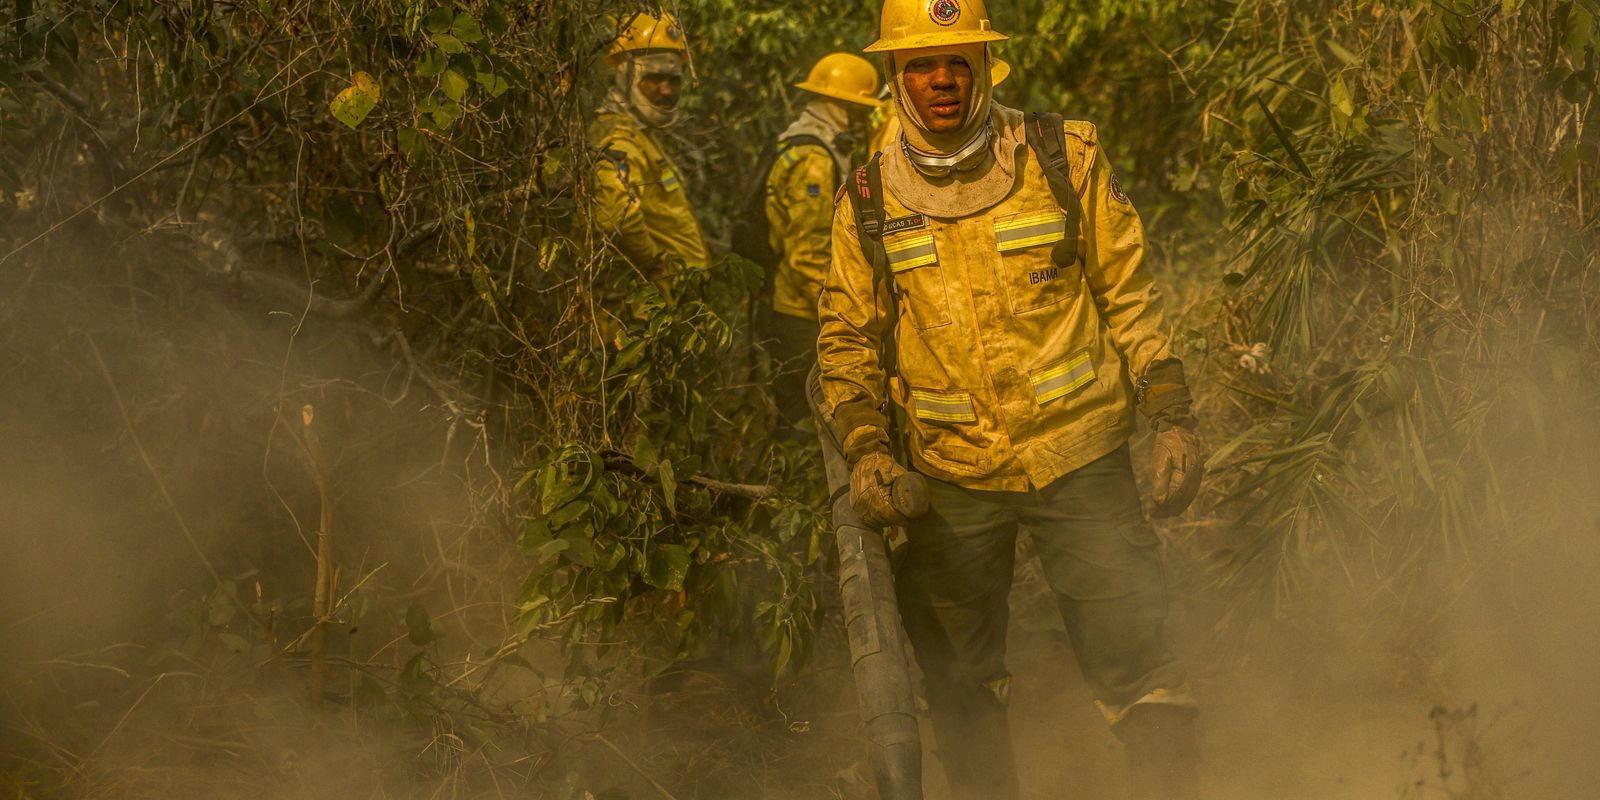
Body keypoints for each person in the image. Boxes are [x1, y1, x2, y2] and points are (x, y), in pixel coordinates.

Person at [814, 0, 1207, 798]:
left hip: (1080, 455)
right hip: (951, 474)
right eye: (921, 64)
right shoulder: (866, 200)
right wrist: (866, 450)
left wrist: (1171, 416)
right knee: (959, 685)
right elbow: (846, 340)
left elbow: (1131, 297)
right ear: (896, 75)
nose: (942, 80)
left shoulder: (1063, 156)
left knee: (1142, 664)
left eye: (958, 61)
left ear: (986, 66)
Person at [761, 52, 881, 430]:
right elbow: (806, 252)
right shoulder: (814, 157)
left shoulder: (805, 142)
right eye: (858, 111)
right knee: (806, 422)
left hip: (796, 305)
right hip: (802, 312)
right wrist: (837, 310)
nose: (862, 121)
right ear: (840, 107)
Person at [589, 10, 708, 296]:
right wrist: (657, 268)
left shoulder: (639, 133)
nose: (666, 90)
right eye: (653, 79)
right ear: (627, 76)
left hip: (665, 304)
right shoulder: (619, 136)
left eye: (674, 80)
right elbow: (617, 216)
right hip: (641, 316)